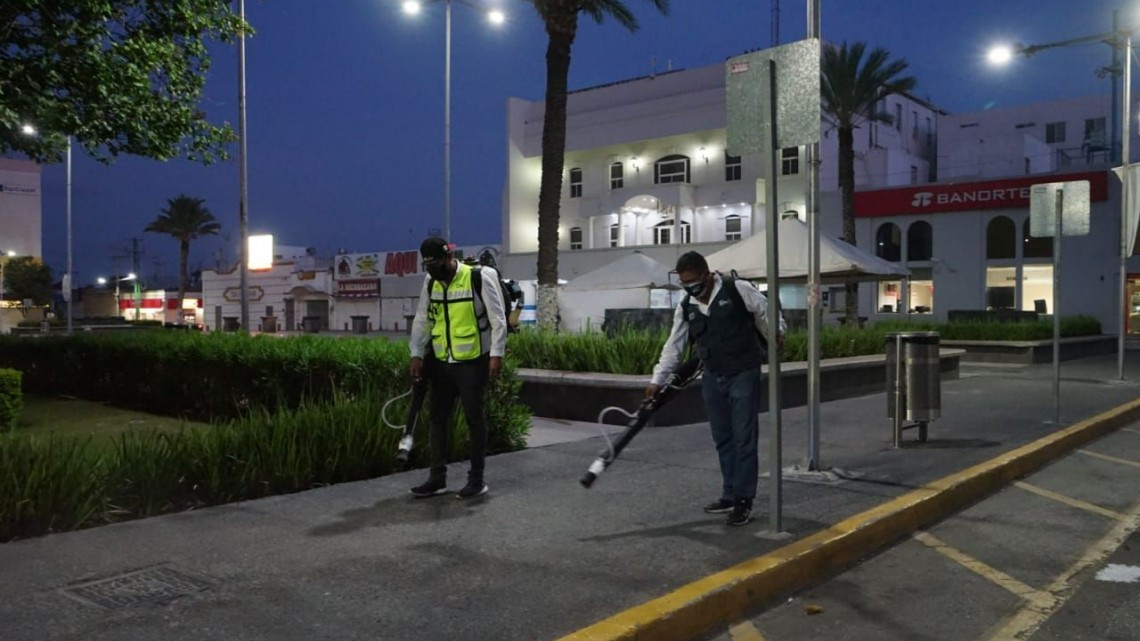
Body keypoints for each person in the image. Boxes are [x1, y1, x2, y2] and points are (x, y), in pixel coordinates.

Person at [645, 251, 785, 526]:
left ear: (707, 275)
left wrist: (777, 332)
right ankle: (730, 494)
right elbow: (674, 346)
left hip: (744, 371)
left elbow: (767, 312)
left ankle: (744, 499)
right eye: (686, 285)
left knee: (744, 437)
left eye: (694, 283)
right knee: (723, 438)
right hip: (712, 375)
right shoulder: (686, 305)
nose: (691, 289)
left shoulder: (737, 289)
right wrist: (657, 380)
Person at [408, 237, 507, 499]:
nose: (434, 270)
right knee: (437, 420)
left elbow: (498, 319)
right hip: (441, 361)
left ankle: (476, 480)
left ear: (450, 257)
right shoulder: (430, 282)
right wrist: (416, 353)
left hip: (473, 361)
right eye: (429, 266)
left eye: (438, 264)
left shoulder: (476, 278)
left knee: (474, 419)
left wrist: (496, 354)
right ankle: (437, 479)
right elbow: (422, 318)